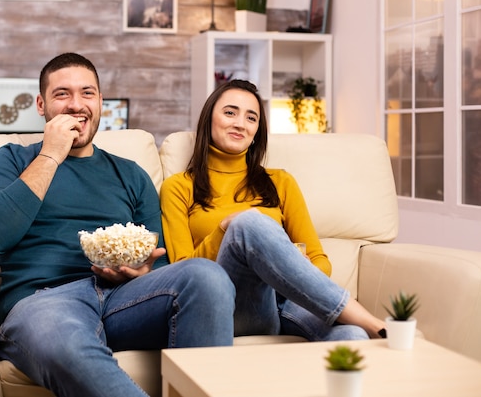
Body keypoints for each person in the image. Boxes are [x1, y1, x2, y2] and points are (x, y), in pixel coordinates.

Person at [0, 53, 235, 397]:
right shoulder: (11, 159)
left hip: (124, 299)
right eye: (62, 94)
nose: (76, 105)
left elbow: (162, 261)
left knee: (207, 276)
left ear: (100, 102)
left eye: (87, 93)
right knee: (63, 341)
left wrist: (142, 274)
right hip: (44, 302)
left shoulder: (131, 174)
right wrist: (51, 154)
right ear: (41, 104)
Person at [160, 79, 387, 341]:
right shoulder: (179, 187)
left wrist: (292, 265)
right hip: (229, 305)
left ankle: (361, 327)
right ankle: (373, 323)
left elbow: (319, 259)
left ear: (257, 131)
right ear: (209, 118)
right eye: (230, 112)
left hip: (287, 300)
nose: (240, 123)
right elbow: (183, 272)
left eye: (251, 118)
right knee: (248, 223)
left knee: (351, 336)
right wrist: (225, 229)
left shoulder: (281, 182)